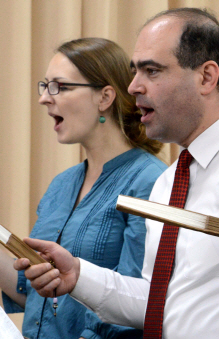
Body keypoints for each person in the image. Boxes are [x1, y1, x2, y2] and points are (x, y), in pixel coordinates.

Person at [14, 8, 219, 339]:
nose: (133, 86)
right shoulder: (169, 181)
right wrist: (78, 275)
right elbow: (156, 302)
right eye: (134, 71)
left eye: (151, 71)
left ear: (207, 77)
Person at [0, 38, 167, 339]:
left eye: (60, 87)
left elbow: (137, 303)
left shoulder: (151, 182)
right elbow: (37, 295)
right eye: (45, 86)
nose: (44, 99)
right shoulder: (61, 184)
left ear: (104, 97)